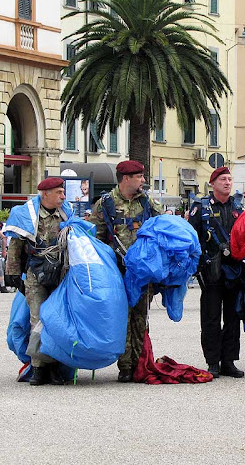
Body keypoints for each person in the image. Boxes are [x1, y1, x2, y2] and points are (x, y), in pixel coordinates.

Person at [89, 160, 163, 382]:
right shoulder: (105, 204)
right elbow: (96, 239)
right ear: (126, 179)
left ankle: (139, 364)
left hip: (142, 273)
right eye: (139, 176)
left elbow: (164, 226)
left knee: (141, 318)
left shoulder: (148, 202)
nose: (143, 180)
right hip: (117, 272)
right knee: (122, 318)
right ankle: (125, 367)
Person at [5, 177, 70, 385]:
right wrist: (14, 274)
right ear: (45, 194)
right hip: (35, 276)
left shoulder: (66, 213)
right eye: (59, 192)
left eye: (63, 192)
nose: (63, 196)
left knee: (58, 321)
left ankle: (55, 368)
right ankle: (38, 367)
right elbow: (15, 246)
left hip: (61, 275)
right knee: (37, 321)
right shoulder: (25, 215)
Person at [188, 166, 245, 379]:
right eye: (223, 179)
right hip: (210, 271)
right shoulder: (201, 208)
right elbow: (191, 238)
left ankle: (229, 361)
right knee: (211, 318)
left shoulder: (238, 207)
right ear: (213, 183)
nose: (227, 182)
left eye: (230, 179)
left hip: (234, 271)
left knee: (233, 317)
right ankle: (212, 362)